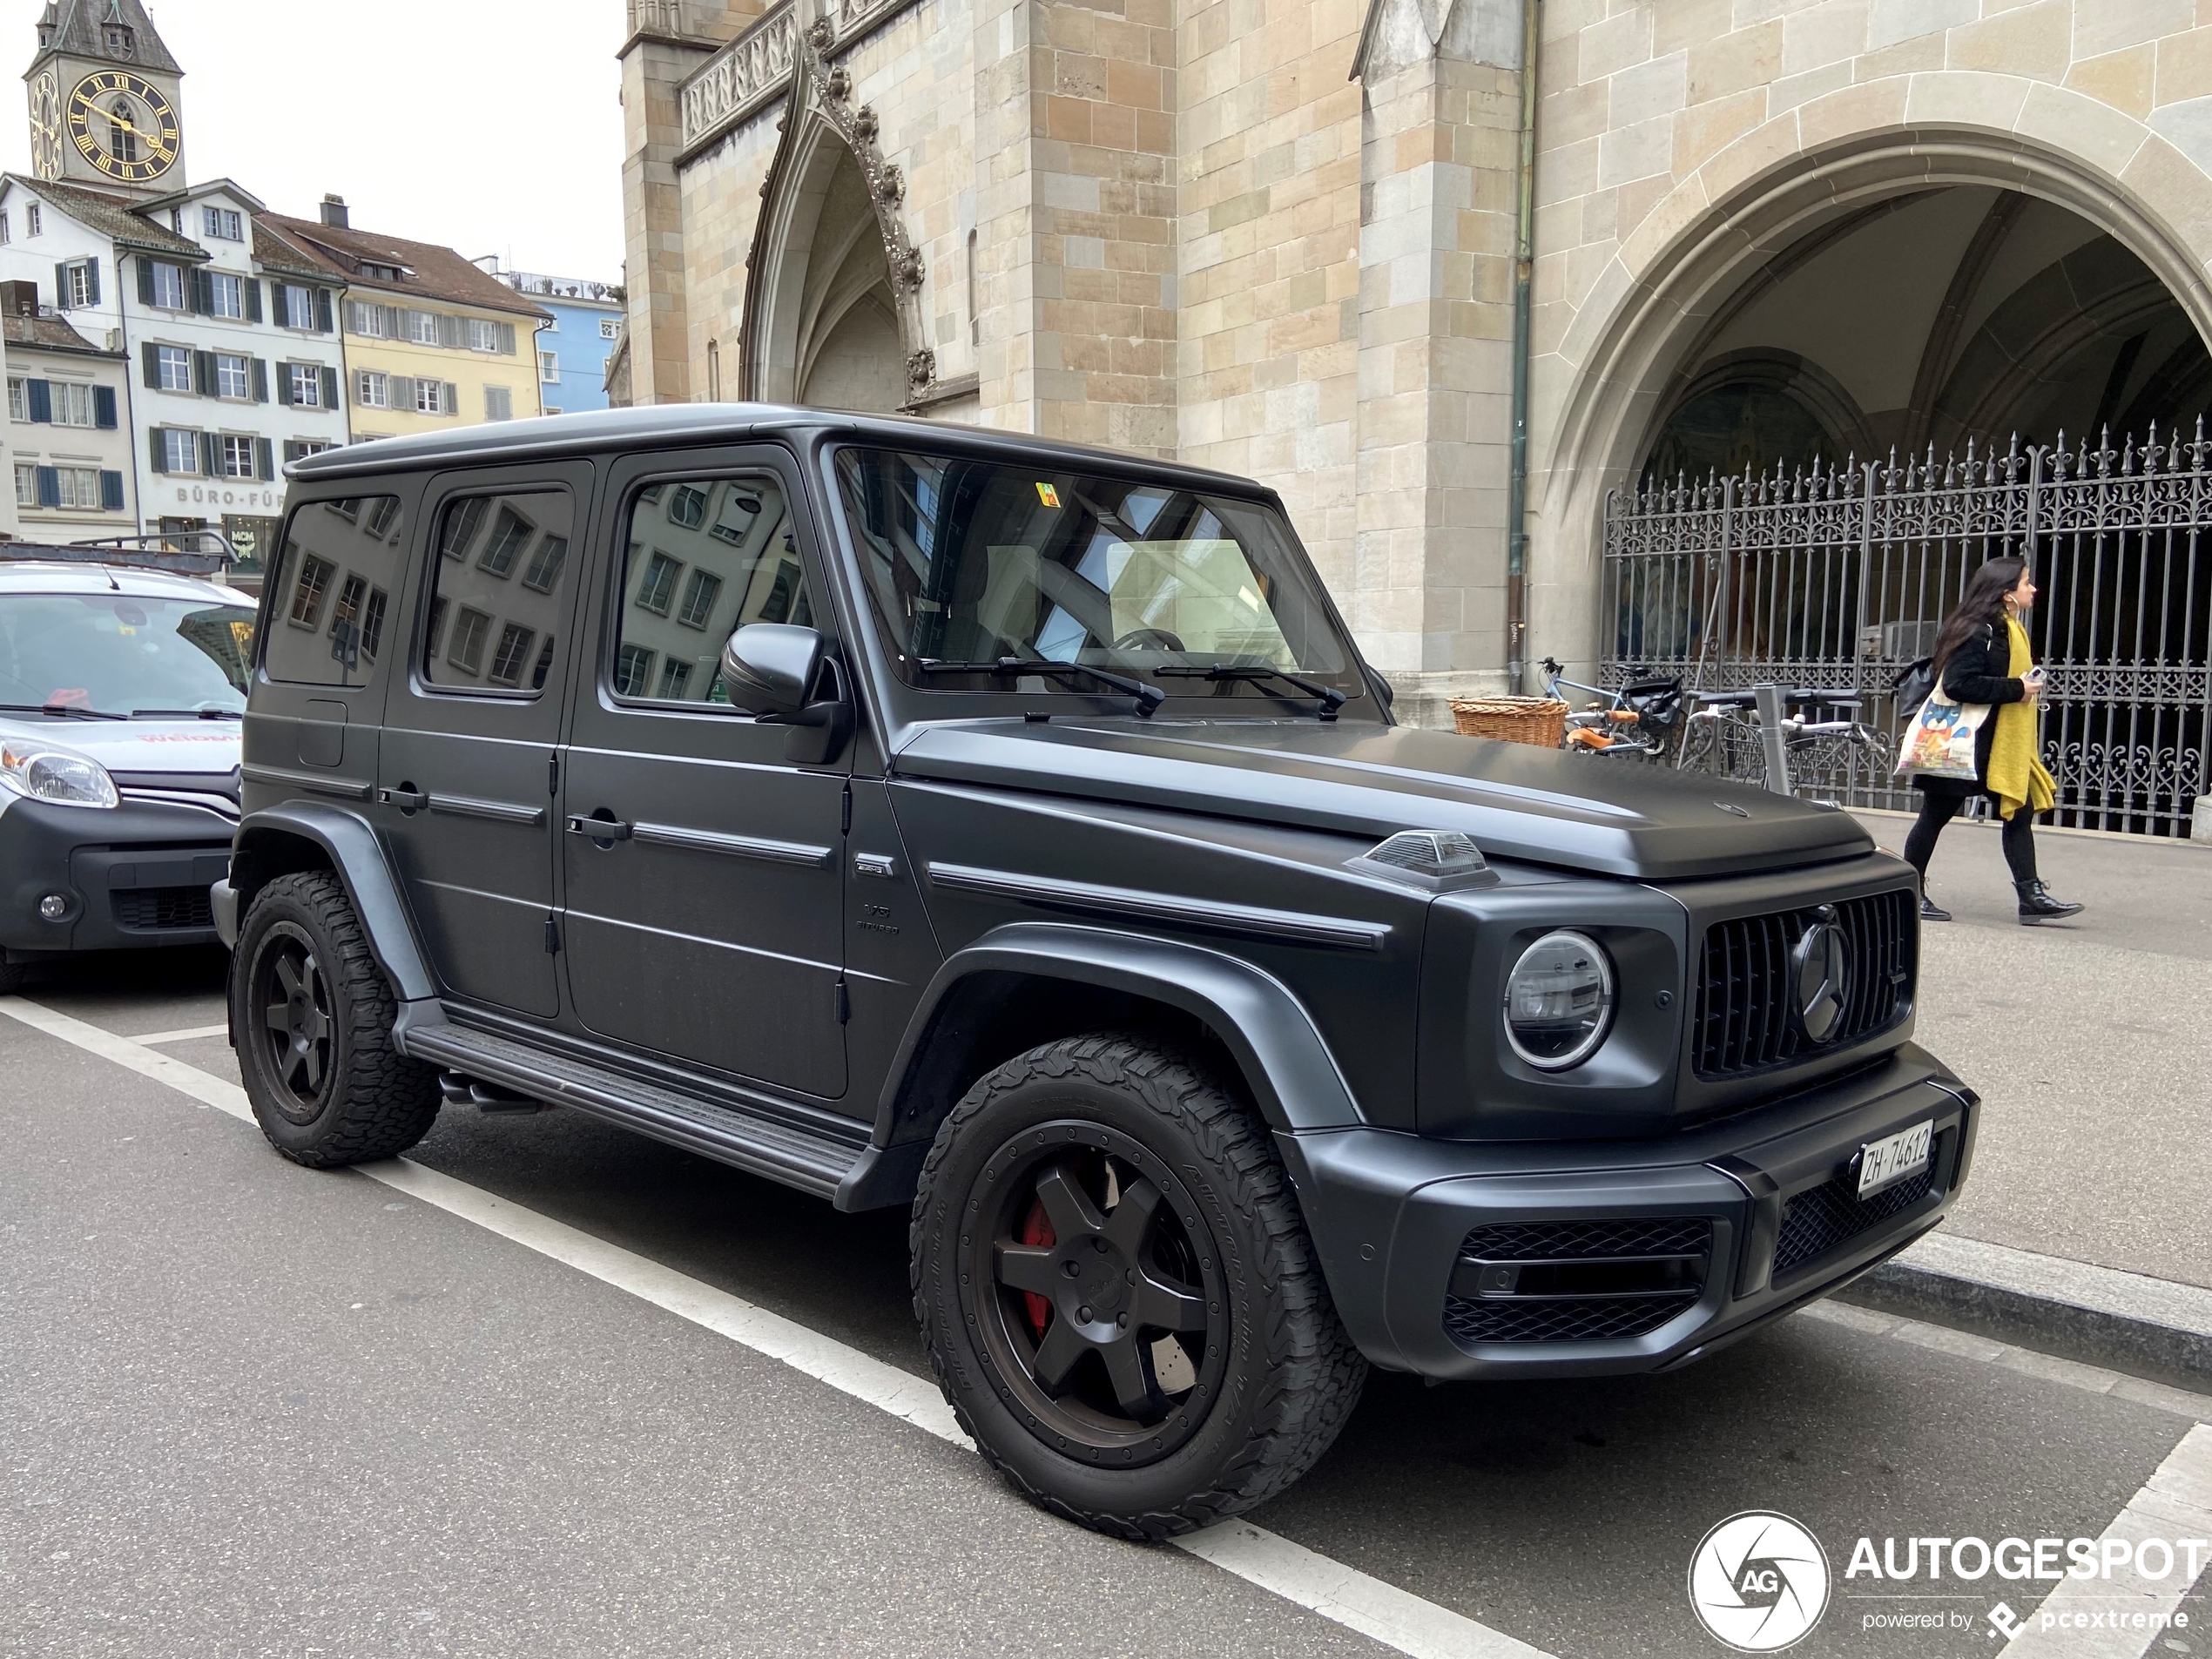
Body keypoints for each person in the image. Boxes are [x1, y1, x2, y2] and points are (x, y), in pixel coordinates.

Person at [1903, 556, 2083, 925]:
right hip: (1963, 744)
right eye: (2026, 582)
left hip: (1995, 745)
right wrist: (2018, 688)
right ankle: (1910, 891)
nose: (2033, 588)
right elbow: (1957, 684)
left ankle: (2030, 897)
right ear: (2006, 594)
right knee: (1935, 815)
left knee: (2020, 810)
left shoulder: (2007, 629)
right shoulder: (1977, 630)